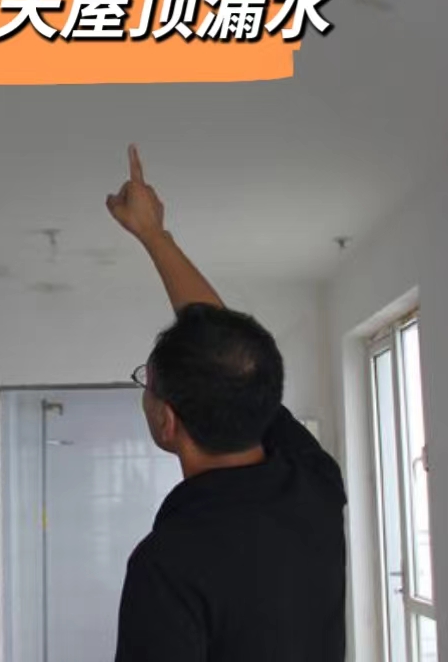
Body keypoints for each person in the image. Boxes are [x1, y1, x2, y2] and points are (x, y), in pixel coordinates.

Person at [106, 145, 347, 662]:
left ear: (168, 421)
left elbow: (223, 350)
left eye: (148, 383)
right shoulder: (314, 487)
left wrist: (154, 235)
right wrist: (154, 235)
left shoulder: (168, 566)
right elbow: (225, 350)